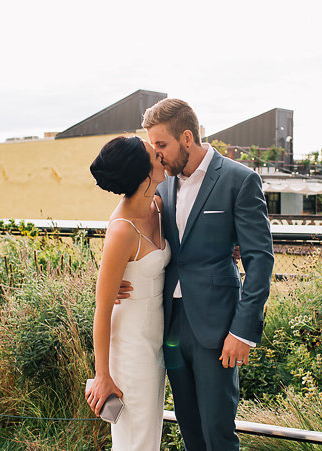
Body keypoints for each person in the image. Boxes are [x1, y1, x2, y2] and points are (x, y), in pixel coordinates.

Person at [141, 98, 274, 450]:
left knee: (218, 434)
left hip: (218, 328)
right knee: (190, 431)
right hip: (170, 323)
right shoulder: (162, 185)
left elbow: (260, 261)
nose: (157, 155)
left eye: (161, 145)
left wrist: (243, 332)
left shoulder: (239, 180)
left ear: (187, 138)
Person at [85, 135, 169, 450]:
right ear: (145, 174)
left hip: (156, 341)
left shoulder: (158, 205)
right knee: (136, 439)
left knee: (149, 434)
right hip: (131, 346)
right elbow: (102, 308)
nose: (161, 155)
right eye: (154, 154)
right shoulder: (122, 229)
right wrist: (102, 374)